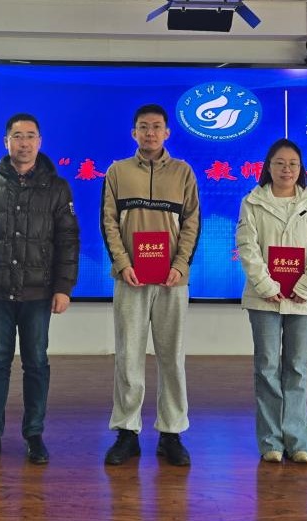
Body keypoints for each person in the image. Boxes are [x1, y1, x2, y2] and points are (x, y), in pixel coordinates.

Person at [0, 113, 80, 465]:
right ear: (6, 142)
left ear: (39, 142)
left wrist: (64, 287)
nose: (24, 143)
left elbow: (68, 240)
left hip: (39, 292)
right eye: (17, 136)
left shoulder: (57, 188)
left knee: (36, 362)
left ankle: (34, 435)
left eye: (30, 136)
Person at [100, 104, 201, 467]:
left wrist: (180, 265)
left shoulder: (183, 172)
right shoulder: (117, 171)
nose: (150, 133)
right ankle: (127, 432)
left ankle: (171, 433)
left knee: (172, 355)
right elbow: (109, 222)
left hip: (172, 281)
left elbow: (192, 223)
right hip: (131, 279)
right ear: (134, 133)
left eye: (157, 127)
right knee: (128, 355)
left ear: (167, 132)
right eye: (143, 127)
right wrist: (123, 264)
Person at [235, 138, 307, 465]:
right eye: (279, 163)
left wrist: (306, 285)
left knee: (296, 368)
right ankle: (270, 441)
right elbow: (247, 247)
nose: (286, 169)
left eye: (293, 164)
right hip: (264, 298)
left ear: (300, 168)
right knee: (266, 367)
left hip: (304, 298)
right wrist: (265, 285)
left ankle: (298, 440)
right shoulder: (252, 201)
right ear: (268, 166)